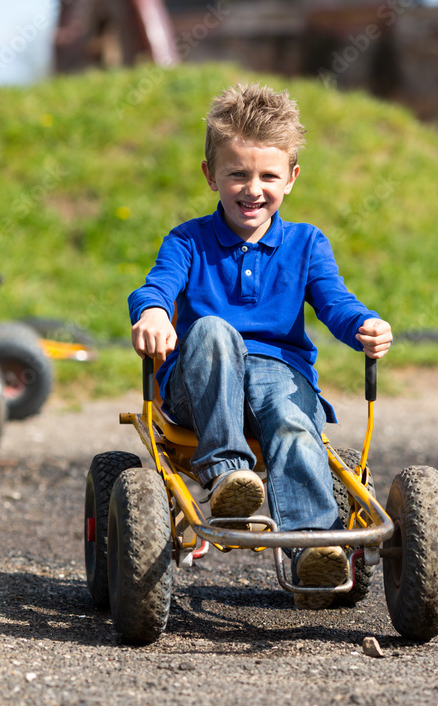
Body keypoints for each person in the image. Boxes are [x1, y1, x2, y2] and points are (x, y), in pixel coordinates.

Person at [129, 83, 392, 609]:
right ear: (211, 176)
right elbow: (155, 286)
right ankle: (228, 478)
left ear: (291, 179)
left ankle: (315, 551)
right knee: (212, 329)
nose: (253, 189)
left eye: (268, 176)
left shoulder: (307, 244)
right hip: (199, 388)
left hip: (277, 374)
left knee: (296, 425)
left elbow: (335, 302)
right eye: (237, 174)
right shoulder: (187, 241)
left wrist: (364, 323)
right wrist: (154, 313)